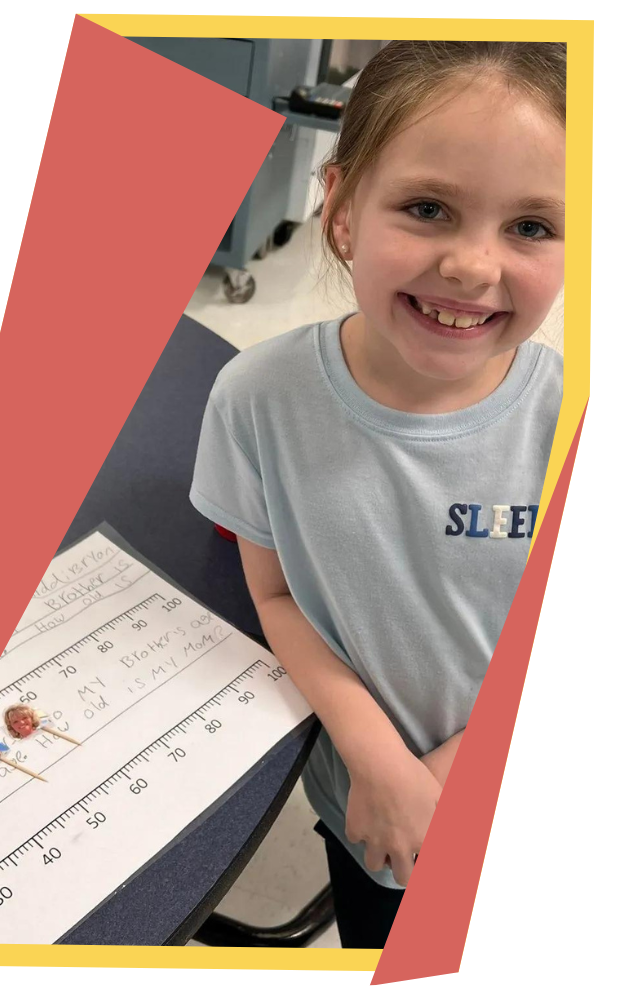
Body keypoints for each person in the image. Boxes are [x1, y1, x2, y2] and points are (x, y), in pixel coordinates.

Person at [190, 40, 565, 949]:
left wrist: (450, 774)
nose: (475, 267)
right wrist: (379, 760)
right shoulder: (259, 399)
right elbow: (274, 593)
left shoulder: (559, 414)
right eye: (429, 208)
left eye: (530, 226)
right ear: (343, 210)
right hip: (372, 814)